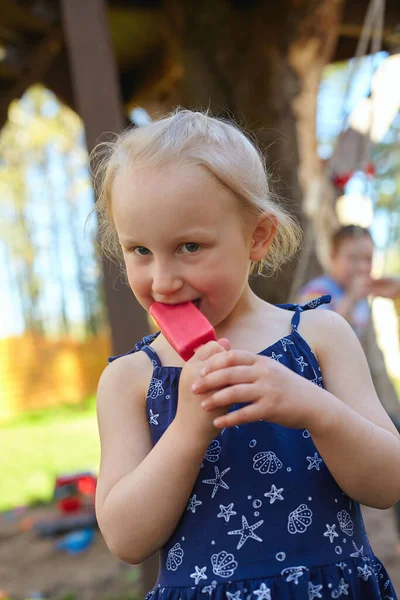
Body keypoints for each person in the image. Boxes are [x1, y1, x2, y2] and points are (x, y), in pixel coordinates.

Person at [93, 110, 400, 600]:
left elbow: (389, 483)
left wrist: (314, 408)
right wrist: (189, 429)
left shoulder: (320, 336)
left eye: (189, 246)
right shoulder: (129, 380)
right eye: (140, 251)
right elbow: (126, 538)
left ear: (257, 237)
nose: (163, 280)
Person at [297, 224, 400, 557]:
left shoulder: (360, 299)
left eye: (368, 259)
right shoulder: (319, 289)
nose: (361, 268)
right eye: (353, 258)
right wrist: (354, 296)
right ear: (332, 258)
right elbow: (312, 328)